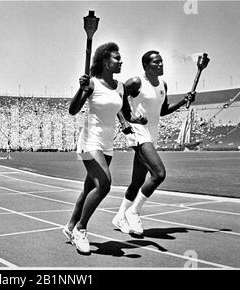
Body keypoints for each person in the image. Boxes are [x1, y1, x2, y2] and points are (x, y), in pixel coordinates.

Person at [63, 42, 140, 254]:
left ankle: (69, 226)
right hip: (89, 141)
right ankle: (81, 229)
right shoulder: (93, 84)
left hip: (107, 144)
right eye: (117, 58)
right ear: (106, 61)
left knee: (90, 188)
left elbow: (126, 113)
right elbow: (73, 110)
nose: (121, 61)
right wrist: (82, 89)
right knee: (104, 184)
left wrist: (136, 120)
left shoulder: (121, 87)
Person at [111, 50, 196, 235]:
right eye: (156, 62)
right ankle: (133, 211)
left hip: (151, 135)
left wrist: (183, 101)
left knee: (137, 181)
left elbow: (163, 111)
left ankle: (119, 216)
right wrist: (125, 121)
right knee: (159, 174)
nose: (161, 64)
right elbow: (117, 97)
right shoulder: (136, 82)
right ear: (146, 66)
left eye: (161, 61)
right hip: (137, 132)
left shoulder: (163, 85)